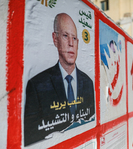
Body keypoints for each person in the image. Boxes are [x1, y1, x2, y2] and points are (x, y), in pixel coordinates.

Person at [24, 13, 95, 146]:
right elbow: (31, 136)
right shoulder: (37, 85)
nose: (70, 43)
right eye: (65, 36)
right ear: (55, 39)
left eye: (74, 38)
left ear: (78, 43)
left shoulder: (88, 83)